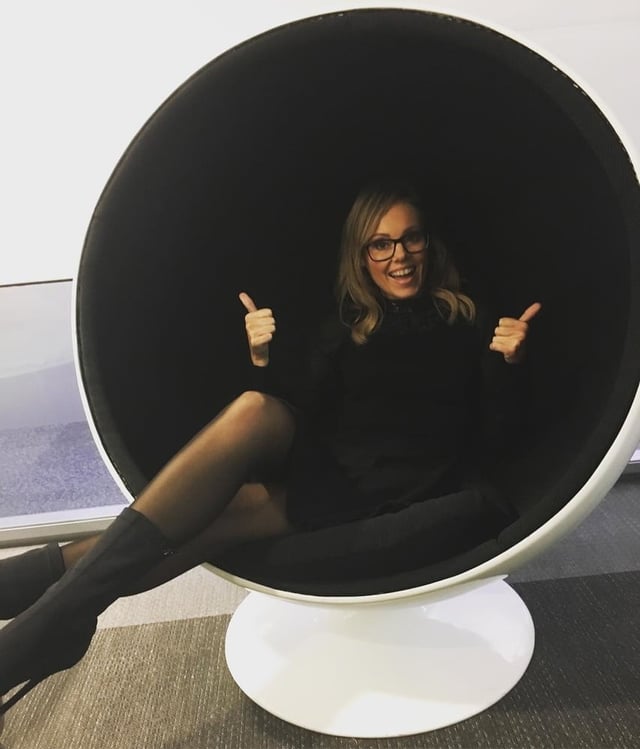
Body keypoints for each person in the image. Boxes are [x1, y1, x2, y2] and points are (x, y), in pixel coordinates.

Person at [0, 181, 540, 727]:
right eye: (381, 244)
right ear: (361, 255)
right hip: (329, 470)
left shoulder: (472, 321)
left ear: (428, 243)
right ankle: (43, 631)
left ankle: (34, 620)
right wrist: (261, 358)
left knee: (203, 527)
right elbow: (303, 409)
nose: (399, 256)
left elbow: (495, 439)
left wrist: (509, 367)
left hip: (399, 485)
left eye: (411, 238)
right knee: (255, 408)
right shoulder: (345, 325)